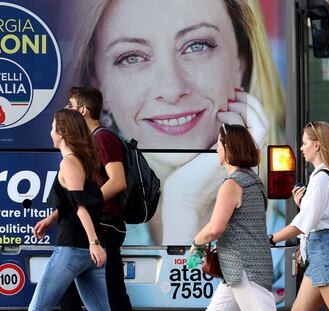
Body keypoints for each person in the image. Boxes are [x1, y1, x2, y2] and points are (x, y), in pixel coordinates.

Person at [66, 0, 284, 245]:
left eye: (197, 46)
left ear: (241, 60)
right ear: (97, 84)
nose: (171, 89)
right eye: (131, 58)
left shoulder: (287, 221)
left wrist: (185, 200)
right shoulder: (94, 222)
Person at [269, 121, 329, 311]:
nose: (301, 148)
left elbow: (301, 225)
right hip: (325, 250)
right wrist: (303, 205)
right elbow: (320, 215)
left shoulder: (320, 179)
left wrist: (271, 239)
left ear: (316, 145)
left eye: (304, 143)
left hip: (325, 252)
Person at [29, 109, 110, 311]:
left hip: (73, 248)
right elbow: (75, 202)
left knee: (37, 308)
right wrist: (51, 219)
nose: (50, 132)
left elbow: (79, 205)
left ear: (62, 132)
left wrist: (94, 242)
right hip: (88, 252)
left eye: (52, 127)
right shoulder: (82, 161)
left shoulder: (69, 162)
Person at [61, 86, 133, 311]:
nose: (66, 110)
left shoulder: (102, 138)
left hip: (104, 225)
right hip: (98, 224)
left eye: (70, 106)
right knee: (87, 290)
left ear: (82, 110)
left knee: (111, 291)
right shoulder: (92, 139)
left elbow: (117, 180)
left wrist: (87, 203)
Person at [190, 123, 276, 311]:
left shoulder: (233, 184)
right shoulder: (253, 179)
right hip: (240, 269)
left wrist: (197, 242)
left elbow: (215, 228)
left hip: (244, 268)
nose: (216, 149)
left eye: (219, 144)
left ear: (228, 147)